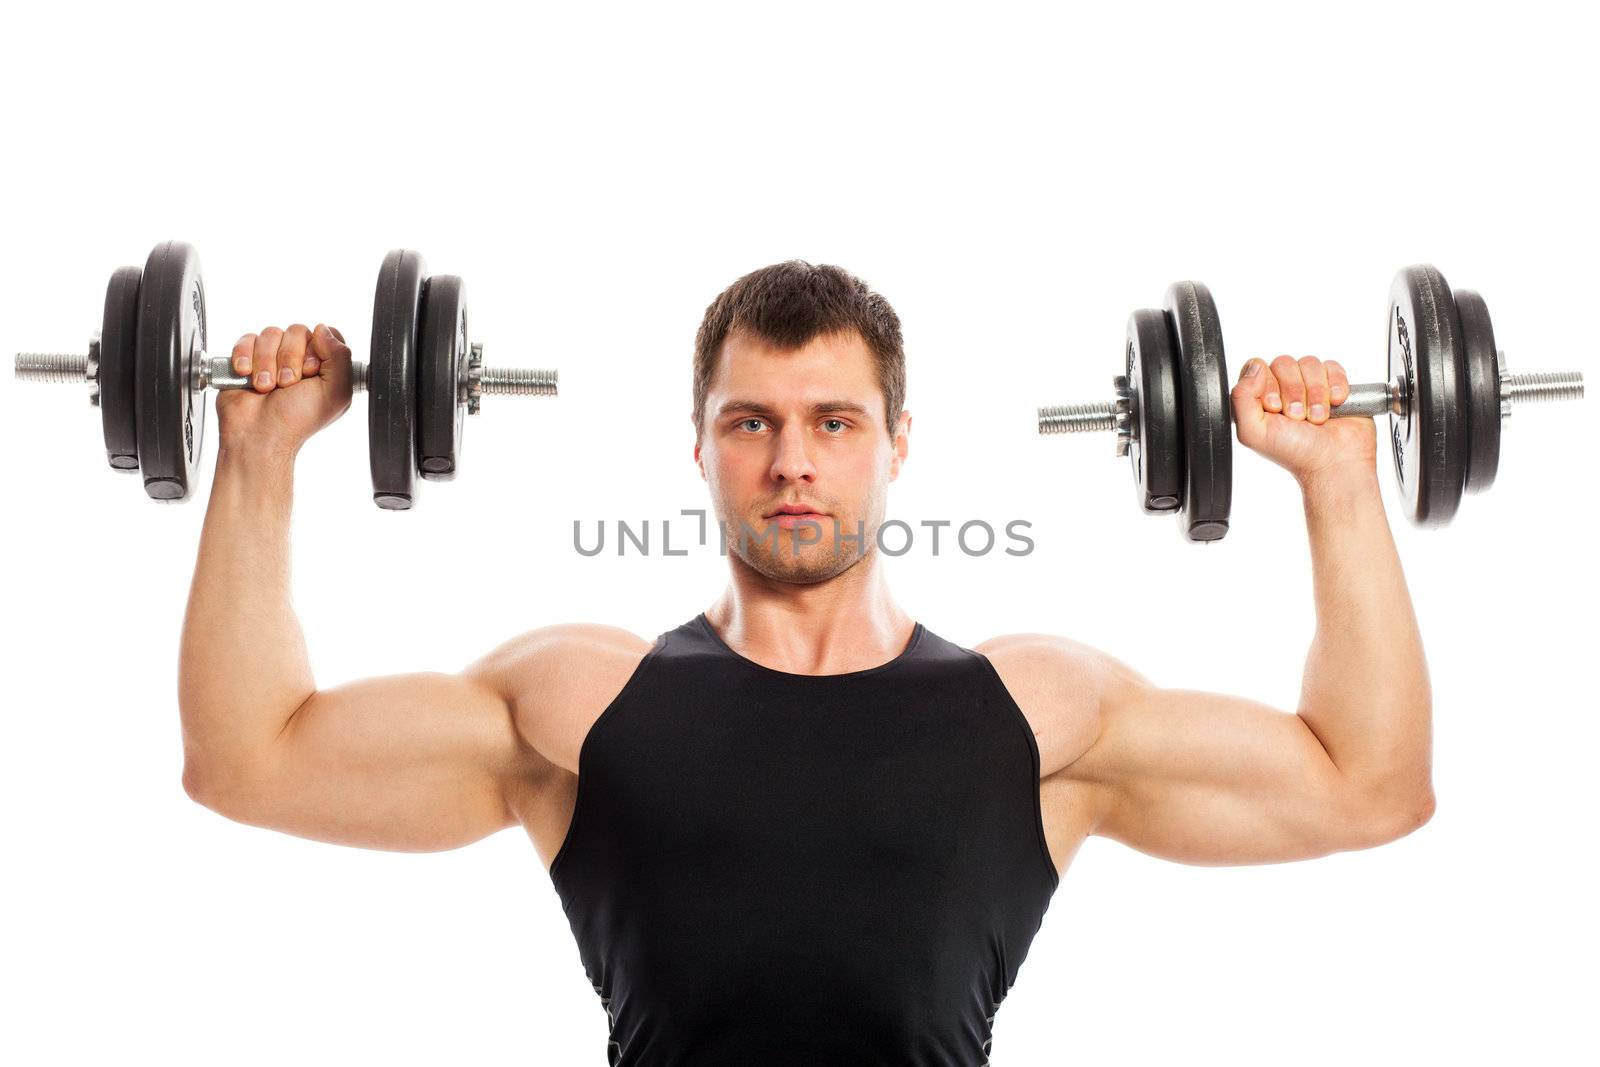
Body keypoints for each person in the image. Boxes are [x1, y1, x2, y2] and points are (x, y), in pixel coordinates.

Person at [179, 261, 1433, 1066]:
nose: (792, 461)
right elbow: (248, 758)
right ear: (700, 449)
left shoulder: (1035, 715)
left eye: (833, 421)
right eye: (751, 422)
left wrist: (1336, 480)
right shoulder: (580, 703)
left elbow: (1365, 785)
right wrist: (259, 454)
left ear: (897, 445)